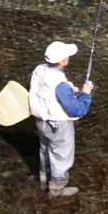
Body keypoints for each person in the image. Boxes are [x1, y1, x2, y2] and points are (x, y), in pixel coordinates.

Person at [29, 41, 93, 198]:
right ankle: (56, 189)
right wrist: (85, 94)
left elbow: (48, 92)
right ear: (60, 61)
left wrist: (70, 91)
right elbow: (78, 110)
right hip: (58, 126)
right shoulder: (60, 86)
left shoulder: (39, 69)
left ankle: (43, 177)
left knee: (45, 148)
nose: (68, 57)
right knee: (61, 157)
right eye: (66, 56)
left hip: (40, 120)